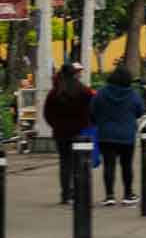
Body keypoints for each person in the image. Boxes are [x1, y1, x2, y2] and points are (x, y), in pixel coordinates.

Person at [90, 65, 143, 206]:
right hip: (127, 134)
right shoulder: (133, 94)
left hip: (106, 134)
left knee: (109, 165)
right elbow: (140, 111)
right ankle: (128, 193)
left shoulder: (101, 93)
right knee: (126, 165)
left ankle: (109, 195)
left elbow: (92, 111)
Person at [42, 63, 94, 205]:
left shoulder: (55, 93)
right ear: (75, 74)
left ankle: (65, 193)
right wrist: (87, 124)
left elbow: (47, 114)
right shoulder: (84, 91)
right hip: (80, 132)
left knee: (65, 163)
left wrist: (56, 125)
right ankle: (79, 192)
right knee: (80, 163)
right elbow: (91, 110)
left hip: (61, 133)